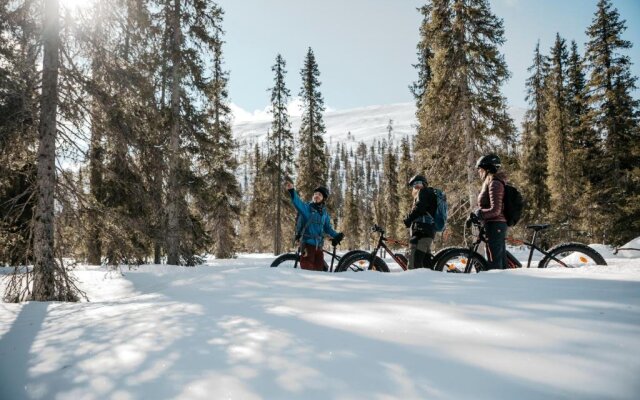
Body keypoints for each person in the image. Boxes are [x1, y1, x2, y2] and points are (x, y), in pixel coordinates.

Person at [284, 182, 344, 271]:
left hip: (319, 246)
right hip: (308, 245)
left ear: (324, 198)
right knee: (307, 270)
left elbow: (328, 228)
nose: (316, 196)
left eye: (319, 195)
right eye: (315, 194)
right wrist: (292, 191)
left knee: (320, 270)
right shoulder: (307, 208)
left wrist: (336, 235)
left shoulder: (324, 214)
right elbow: (298, 203)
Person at [474, 154, 508, 269]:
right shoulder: (490, 182)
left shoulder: (495, 183)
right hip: (493, 224)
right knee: (497, 261)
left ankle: (498, 284)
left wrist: (481, 214)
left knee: (495, 264)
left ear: (487, 169)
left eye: (480, 169)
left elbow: (496, 210)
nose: (479, 171)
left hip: (496, 224)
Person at [402, 175, 438, 270]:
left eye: (418, 183)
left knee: (415, 263)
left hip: (422, 231)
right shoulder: (427, 193)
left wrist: (408, 219)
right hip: (425, 231)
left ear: (424, 184)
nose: (416, 186)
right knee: (425, 262)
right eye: (414, 184)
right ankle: (430, 280)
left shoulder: (424, 192)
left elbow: (419, 208)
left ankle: (414, 282)